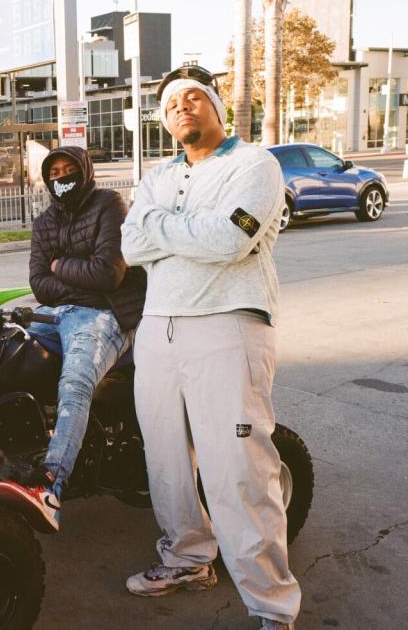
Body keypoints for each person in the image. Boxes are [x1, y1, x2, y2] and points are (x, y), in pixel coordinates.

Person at [120, 65, 299, 630]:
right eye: (172, 104)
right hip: (158, 329)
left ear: (217, 108)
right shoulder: (155, 177)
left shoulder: (254, 165)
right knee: (166, 460)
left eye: (195, 98)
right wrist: (181, 227)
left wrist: (160, 229)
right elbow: (129, 244)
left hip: (228, 326)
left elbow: (230, 239)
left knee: (237, 469)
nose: (183, 108)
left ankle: (272, 606)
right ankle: (188, 559)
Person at [0, 146, 146, 534]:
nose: (61, 178)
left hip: (105, 314)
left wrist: (60, 265)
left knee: (75, 382)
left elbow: (108, 274)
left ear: (85, 171)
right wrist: (72, 274)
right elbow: (39, 285)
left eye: (69, 170)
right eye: (54, 173)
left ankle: (50, 486)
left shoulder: (109, 204)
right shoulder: (45, 220)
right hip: (54, 313)